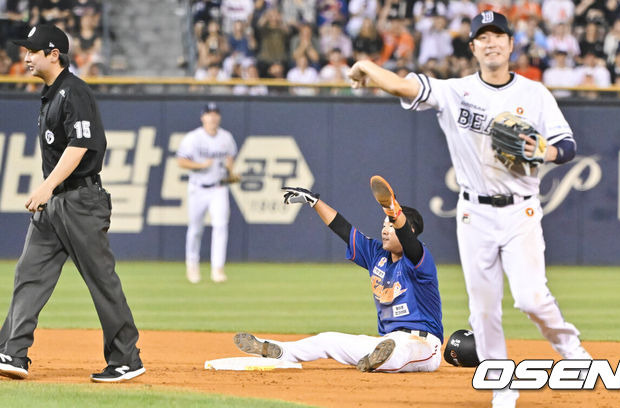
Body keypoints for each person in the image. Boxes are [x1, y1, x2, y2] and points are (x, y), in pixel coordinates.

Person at [347, 11, 591, 408]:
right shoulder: (454, 91)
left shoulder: (535, 95)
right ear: (473, 47)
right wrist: (367, 66)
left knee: (531, 297)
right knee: (483, 308)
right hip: (473, 214)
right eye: (483, 37)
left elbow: (568, 146)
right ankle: (502, 387)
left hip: (521, 212)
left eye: (499, 36)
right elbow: (403, 86)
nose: (492, 42)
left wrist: (545, 150)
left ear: (511, 45)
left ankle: (571, 348)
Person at [0, 24, 144, 383]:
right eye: (25, 51)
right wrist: (50, 192)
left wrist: (46, 187)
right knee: (29, 274)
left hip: (80, 200)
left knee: (101, 281)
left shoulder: (74, 91)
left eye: (33, 51)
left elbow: (79, 147)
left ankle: (127, 358)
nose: (26, 56)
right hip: (55, 204)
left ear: (54, 54)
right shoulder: (51, 94)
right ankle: (12, 352)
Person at [234, 176, 443, 373]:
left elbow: (408, 241)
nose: (385, 230)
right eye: (383, 225)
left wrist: (392, 210)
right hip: (387, 340)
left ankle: (381, 359)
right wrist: (315, 202)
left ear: (409, 230)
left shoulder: (419, 259)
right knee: (328, 339)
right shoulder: (376, 255)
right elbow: (343, 228)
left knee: (402, 351)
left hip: (424, 345)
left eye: (391, 226)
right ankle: (280, 351)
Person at [177, 103, 238, 284]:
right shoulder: (194, 138)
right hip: (198, 187)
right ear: (203, 117)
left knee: (220, 226)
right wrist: (202, 166)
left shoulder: (226, 137)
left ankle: (217, 269)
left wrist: (231, 171)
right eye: (209, 114)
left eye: (215, 114)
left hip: (219, 187)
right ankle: (192, 266)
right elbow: (181, 161)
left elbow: (229, 159)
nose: (212, 117)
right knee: (195, 229)